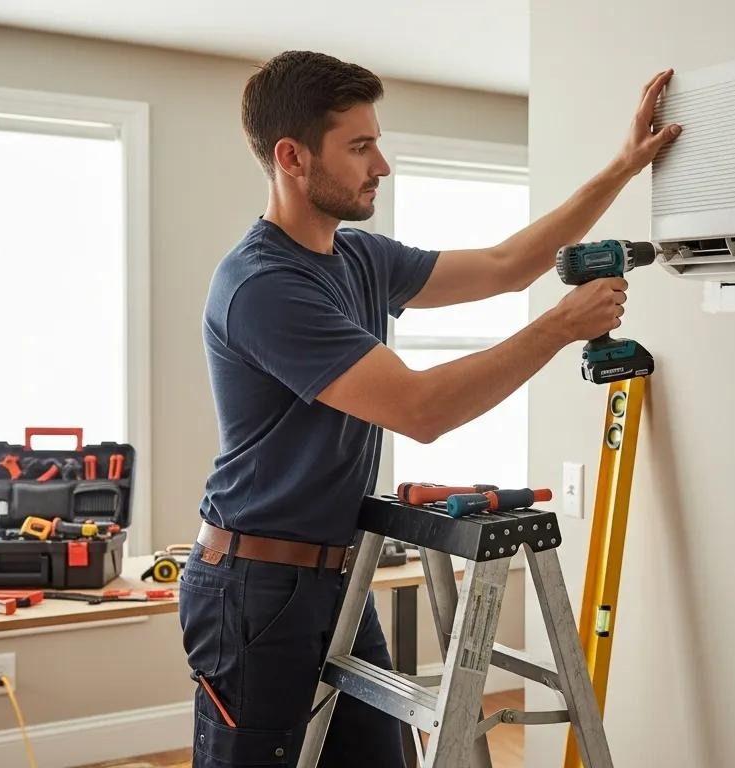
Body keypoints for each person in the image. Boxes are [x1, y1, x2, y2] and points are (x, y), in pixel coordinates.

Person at [176, 50, 680, 767]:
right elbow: (419, 408)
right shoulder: (264, 286)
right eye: (359, 146)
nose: (380, 164)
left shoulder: (358, 260)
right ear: (292, 157)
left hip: (335, 576)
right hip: (254, 591)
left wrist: (625, 165)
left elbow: (508, 266)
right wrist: (561, 326)